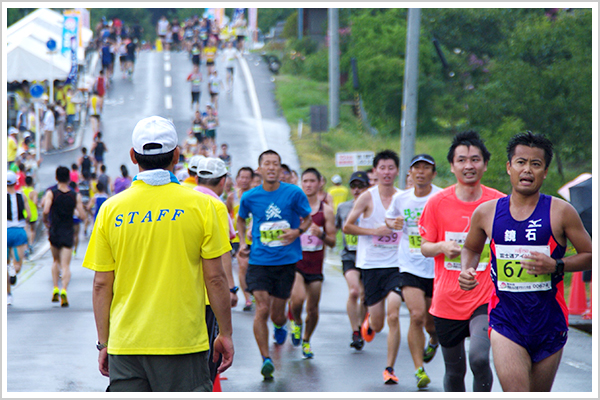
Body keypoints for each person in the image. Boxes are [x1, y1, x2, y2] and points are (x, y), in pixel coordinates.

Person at [82, 116, 234, 391]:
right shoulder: (202, 206)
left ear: (132, 156)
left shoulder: (110, 210)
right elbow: (215, 279)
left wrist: (104, 342)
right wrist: (225, 333)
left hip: (126, 345)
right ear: (176, 155)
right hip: (183, 344)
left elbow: (101, 283)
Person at [458, 132, 592, 392]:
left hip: (549, 321)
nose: (527, 169)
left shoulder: (560, 211)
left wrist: (557, 265)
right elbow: (471, 248)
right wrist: (468, 268)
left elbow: (591, 254)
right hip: (506, 320)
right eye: (520, 162)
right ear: (509, 167)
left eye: (535, 164)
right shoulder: (486, 212)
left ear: (544, 172)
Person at [419, 130, 504, 392]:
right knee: (455, 370)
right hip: (447, 299)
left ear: (485, 164)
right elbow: (424, 247)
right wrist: (442, 246)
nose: (469, 165)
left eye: (475, 159)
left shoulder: (500, 202)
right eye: (462, 160)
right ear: (453, 165)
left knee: (479, 358)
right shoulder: (437, 203)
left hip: (485, 295)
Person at [237, 150, 312, 380]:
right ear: (259, 169)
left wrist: (297, 231)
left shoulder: (294, 193)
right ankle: (265, 359)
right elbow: (241, 218)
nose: (271, 167)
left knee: (277, 314)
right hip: (259, 260)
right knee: (261, 309)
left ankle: (281, 326)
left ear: (281, 170)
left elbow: (308, 218)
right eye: (266, 164)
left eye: (275, 164)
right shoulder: (250, 197)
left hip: (286, 262)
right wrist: (242, 242)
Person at [343, 149, 403, 385]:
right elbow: (347, 227)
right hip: (371, 265)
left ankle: (389, 368)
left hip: (397, 265)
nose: (387, 172)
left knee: (395, 314)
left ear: (397, 171)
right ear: (375, 171)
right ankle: (368, 321)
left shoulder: (403, 197)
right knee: (378, 324)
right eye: (382, 168)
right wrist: (374, 231)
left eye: (391, 168)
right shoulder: (367, 197)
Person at [384, 154, 442, 389]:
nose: (420, 172)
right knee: (416, 316)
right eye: (416, 168)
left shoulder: (440, 197)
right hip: (409, 265)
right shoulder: (401, 198)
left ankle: (434, 339)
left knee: (430, 322)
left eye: (425, 168)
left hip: (436, 266)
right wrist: (393, 224)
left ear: (433, 173)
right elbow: (389, 219)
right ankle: (419, 370)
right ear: (410, 173)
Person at [289, 168, 336, 359]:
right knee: (298, 299)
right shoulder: (293, 208)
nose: (308, 185)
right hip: (297, 262)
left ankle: (307, 340)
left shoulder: (327, 211)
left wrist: (321, 234)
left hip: (315, 265)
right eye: (305, 181)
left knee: (313, 308)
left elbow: (333, 241)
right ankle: (297, 322)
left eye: (312, 181)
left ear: (319, 183)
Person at [42, 166, 88, 307]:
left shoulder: (52, 193)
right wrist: (73, 210)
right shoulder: (75, 196)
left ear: (56, 177)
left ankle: (55, 287)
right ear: (69, 178)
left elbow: (45, 209)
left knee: (55, 261)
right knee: (66, 265)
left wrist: (46, 221)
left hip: (55, 230)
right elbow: (82, 215)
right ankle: (64, 290)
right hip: (68, 232)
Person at [335, 171, 370, 350]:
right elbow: (334, 229)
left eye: (360, 186)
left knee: (365, 296)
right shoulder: (343, 208)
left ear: (368, 187)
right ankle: (355, 331)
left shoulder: (373, 206)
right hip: (349, 256)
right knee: (354, 291)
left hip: (369, 257)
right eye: (353, 186)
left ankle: (363, 325)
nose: (356, 190)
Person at [227, 167, 255, 311]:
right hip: (239, 238)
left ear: (251, 180)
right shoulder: (233, 197)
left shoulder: (256, 196)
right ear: (237, 179)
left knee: (253, 266)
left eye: (247, 177)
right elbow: (228, 213)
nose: (244, 180)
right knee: (243, 266)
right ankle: (248, 299)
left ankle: (255, 290)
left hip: (255, 237)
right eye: (241, 177)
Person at [7, 171, 31, 305]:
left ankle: (8, 294)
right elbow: (28, 215)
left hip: (5, 232)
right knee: (18, 264)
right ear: (16, 183)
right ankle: (13, 272)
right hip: (19, 232)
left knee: (4, 265)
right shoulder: (22, 196)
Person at [23, 176, 39, 254]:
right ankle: (31, 244)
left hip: (24, 212)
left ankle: (26, 246)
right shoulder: (34, 192)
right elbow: (35, 202)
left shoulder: (22, 190)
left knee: (26, 230)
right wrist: (38, 207)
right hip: (33, 212)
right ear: (32, 182)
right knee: (32, 230)